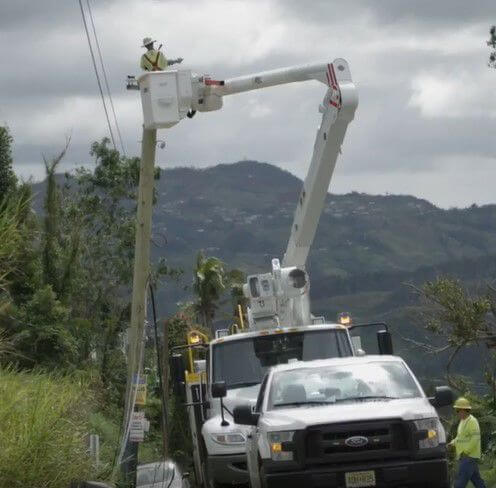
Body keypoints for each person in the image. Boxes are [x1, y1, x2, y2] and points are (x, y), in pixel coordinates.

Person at [448, 397, 487, 488]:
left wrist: (466, 451)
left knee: (460, 482)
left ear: (465, 410)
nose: (457, 412)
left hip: (468, 456)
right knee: (477, 481)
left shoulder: (472, 421)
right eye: (456, 410)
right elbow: (460, 437)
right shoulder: (462, 421)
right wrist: (452, 443)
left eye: (458, 410)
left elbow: (475, 438)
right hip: (465, 456)